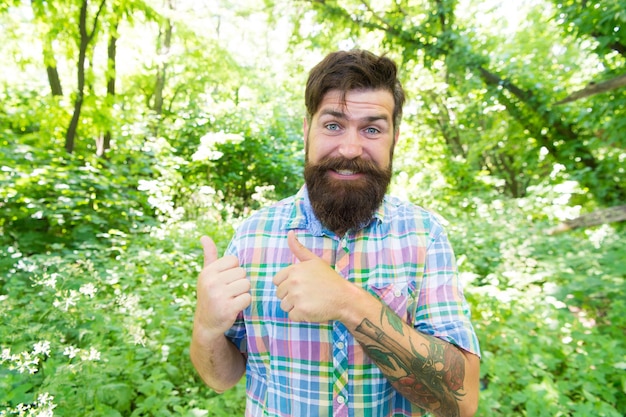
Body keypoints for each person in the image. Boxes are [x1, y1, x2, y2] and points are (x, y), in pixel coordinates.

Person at [190, 49, 481, 417]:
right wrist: (205, 327)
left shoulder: (425, 237)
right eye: (332, 125)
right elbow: (222, 377)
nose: (349, 148)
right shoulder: (252, 236)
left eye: (372, 129)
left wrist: (349, 303)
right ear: (306, 129)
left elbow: (461, 401)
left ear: (395, 137)